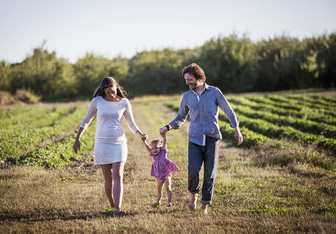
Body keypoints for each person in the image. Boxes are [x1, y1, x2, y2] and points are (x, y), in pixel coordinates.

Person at [159, 63, 243, 215]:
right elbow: (181, 117)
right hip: (195, 139)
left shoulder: (214, 92)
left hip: (212, 138)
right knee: (193, 170)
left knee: (209, 173)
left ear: (199, 78)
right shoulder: (187, 96)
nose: (187, 82)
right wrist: (168, 127)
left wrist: (236, 128)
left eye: (190, 79)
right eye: (185, 79)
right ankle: (193, 195)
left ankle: (205, 204)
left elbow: (228, 109)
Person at [73, 77, 146, 215]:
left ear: (116, 87)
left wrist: (140, 133)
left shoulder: (124, 102)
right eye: (107, 93)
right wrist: (78, 137)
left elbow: (131, 123)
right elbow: (87, 119)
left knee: (118, 174)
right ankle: (112, 203)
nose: (110, 95)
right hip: (102, 142)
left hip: (119, 142)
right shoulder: (97, 101)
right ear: (103, 91)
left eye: (112, 92)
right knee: (108, 179)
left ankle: (118, 208)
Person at [141, 133, 179, 207]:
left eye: (156, 148)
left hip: (166, 173)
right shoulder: (153, 154)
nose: (154, 150)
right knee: (159, 189)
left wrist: (164, 136)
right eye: (153, 148)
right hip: (158, 174)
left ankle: (169, 202)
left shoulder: (163, 151)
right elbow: (148, 148)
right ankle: (158, 201)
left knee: (168, 187)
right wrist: (144, 141)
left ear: (160, 147)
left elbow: (164, 143)